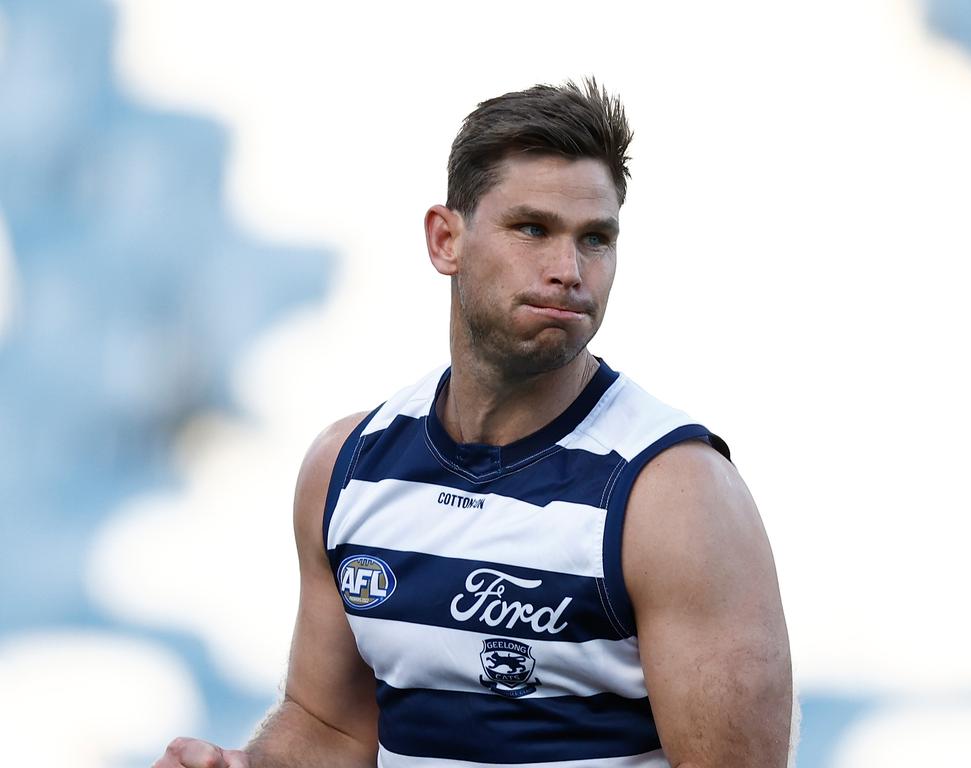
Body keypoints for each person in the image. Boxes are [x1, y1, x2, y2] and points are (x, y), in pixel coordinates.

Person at [154, 78, 792, 768]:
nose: (568, 270)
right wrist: (240, 767)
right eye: (532, 229)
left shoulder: (673, 496)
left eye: (596, 239)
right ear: (445, 240)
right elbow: (333, 730)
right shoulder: (349, 466)